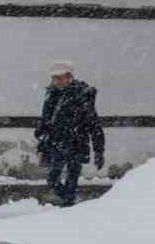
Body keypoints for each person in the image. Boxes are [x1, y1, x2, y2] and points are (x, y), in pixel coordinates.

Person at [35, 61, 104, 207]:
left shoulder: (82, 94)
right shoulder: (52, 94)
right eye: (54, 78)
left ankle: (69, 206)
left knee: (72, 180)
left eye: (59, 78)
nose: (56, 81)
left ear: (69, 76)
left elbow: (94, 125)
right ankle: (70, 203)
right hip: (56, 142)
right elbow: (46, 119)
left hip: (76, 142)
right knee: (52, 179)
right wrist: (41, 135)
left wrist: (99, 151)